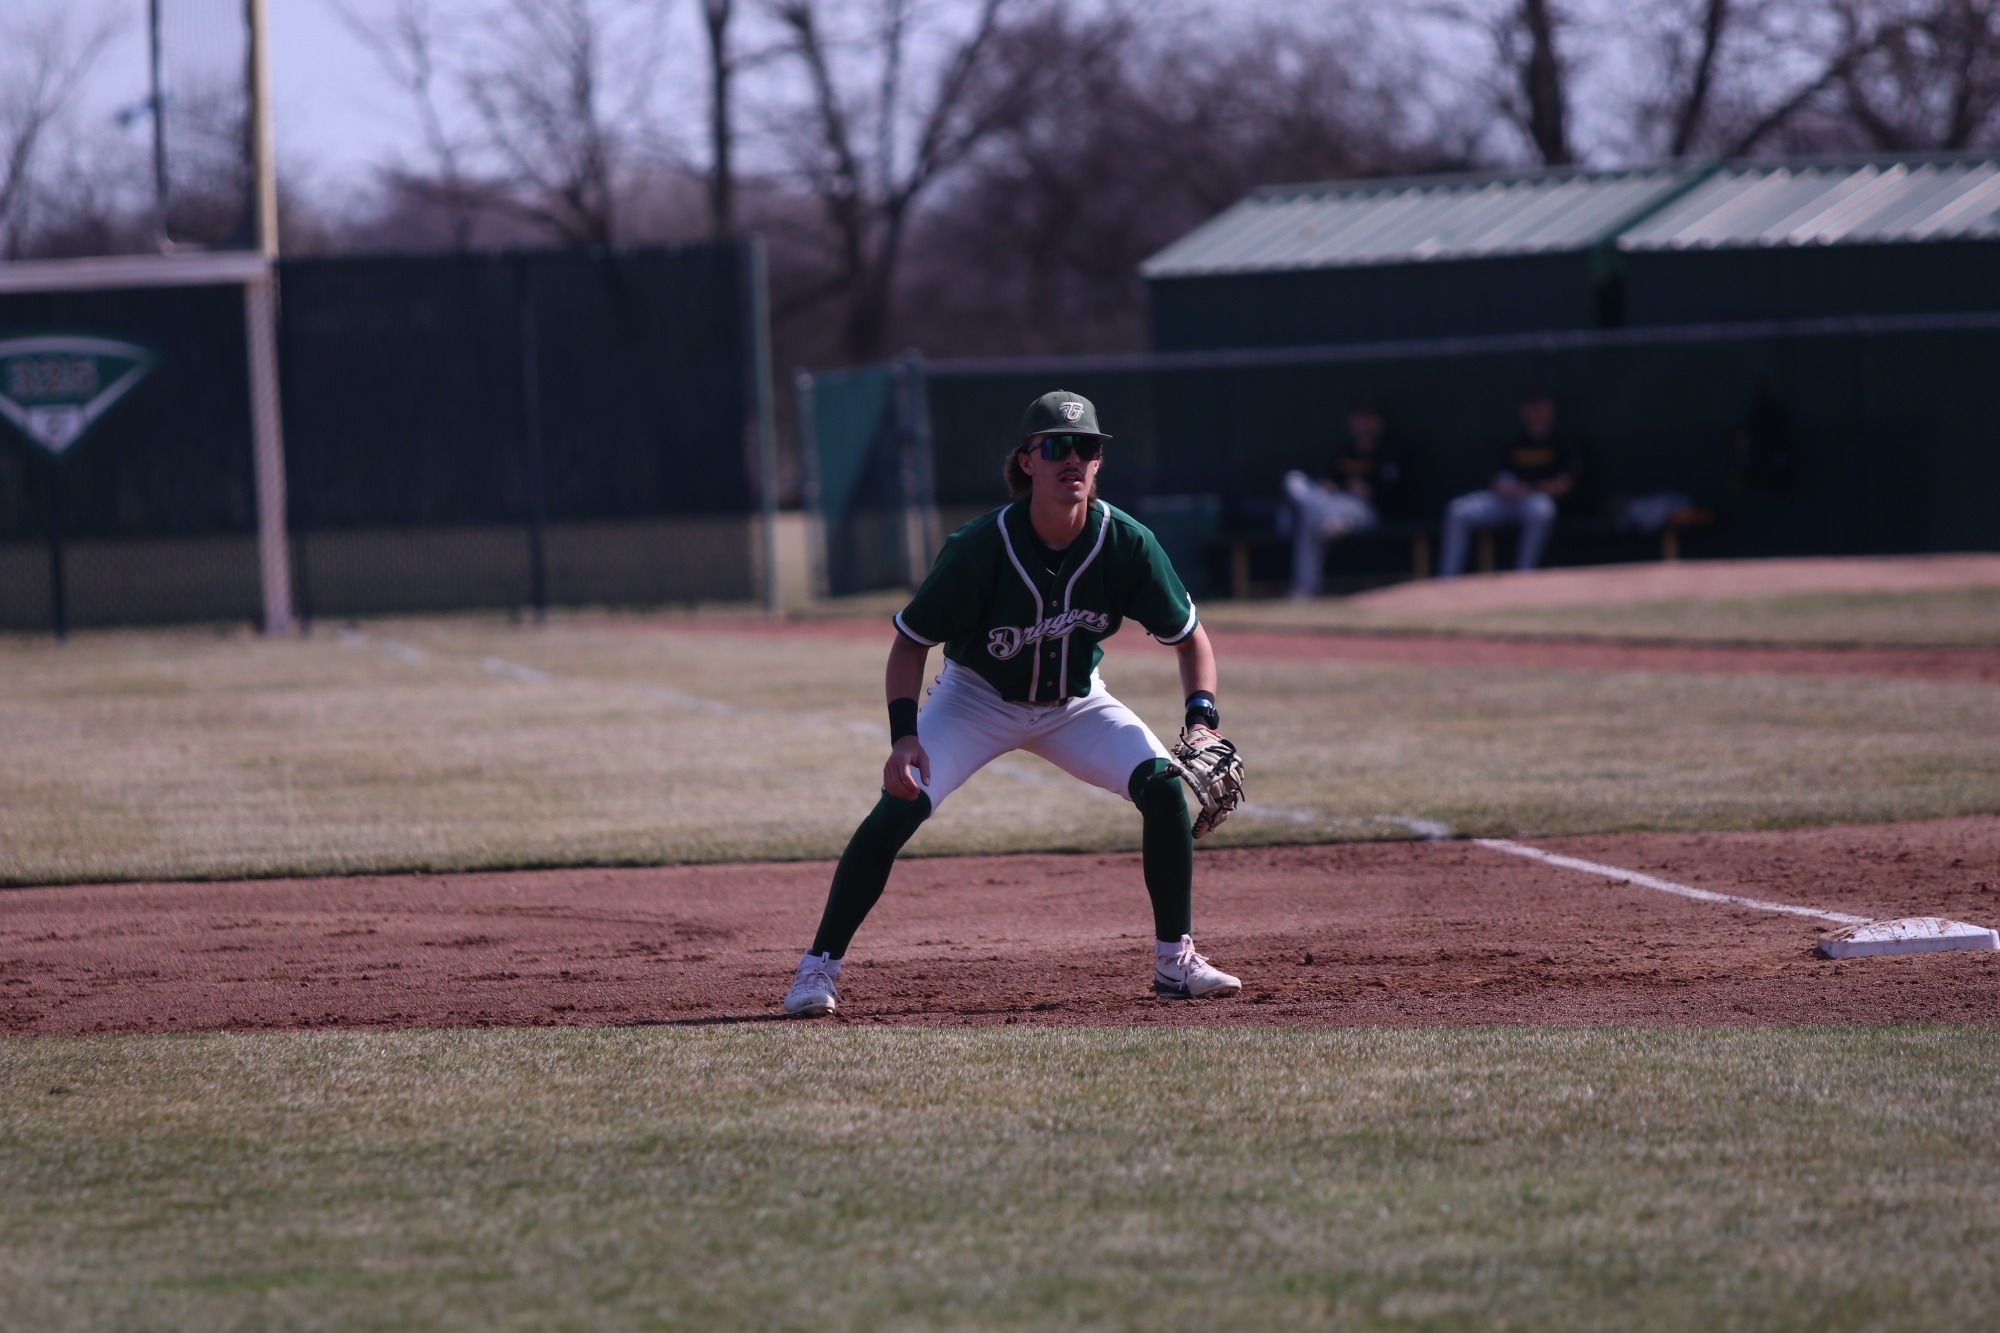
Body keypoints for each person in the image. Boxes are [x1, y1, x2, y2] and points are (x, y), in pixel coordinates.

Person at [782, 389, 1243, 1017]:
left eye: (1086, 447)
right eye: (1055, 446)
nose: (1072, 459)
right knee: (900, 804)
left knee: (1163, 788)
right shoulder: (979, 548)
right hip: (976, 698)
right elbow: (909, 645)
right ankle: (816, 970)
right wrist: (904, 737)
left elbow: (1192, 640)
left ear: (1098, 462)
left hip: (1075, 703)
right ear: (1026, 461)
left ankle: (1174, 962)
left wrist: (1202, 720)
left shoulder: (1126, 543)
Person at [1438, 388, 1577, 578]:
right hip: (1505, 501)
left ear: (1550, 409)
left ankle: (1523, 575)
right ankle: (1447, 578)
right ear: (1524, 411)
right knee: (1457, 510)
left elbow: (1565, 485)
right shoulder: (1516, 441)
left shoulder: (1562, 443)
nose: (1536, 413)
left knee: (1543, 510)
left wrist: (1530, 489)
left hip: (1533, 502)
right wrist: (1505, 489)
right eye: (1531, 408)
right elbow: (1497, 479)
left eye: (1541, 407)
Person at [1282, 401, 1402, 599]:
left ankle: (1305, 589)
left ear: (1377, 423)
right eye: (1359, 420)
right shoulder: (1343, 452)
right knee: (1294, 480)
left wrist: (1369, 490)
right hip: (1334, 507)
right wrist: (1330, 488)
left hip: (1365, 511)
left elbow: (1395, 491)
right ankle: (1327, 522)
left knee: (1311, 521)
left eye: (1367, 420)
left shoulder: (1389, 452)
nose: (1363, 426)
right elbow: (1330, 483)